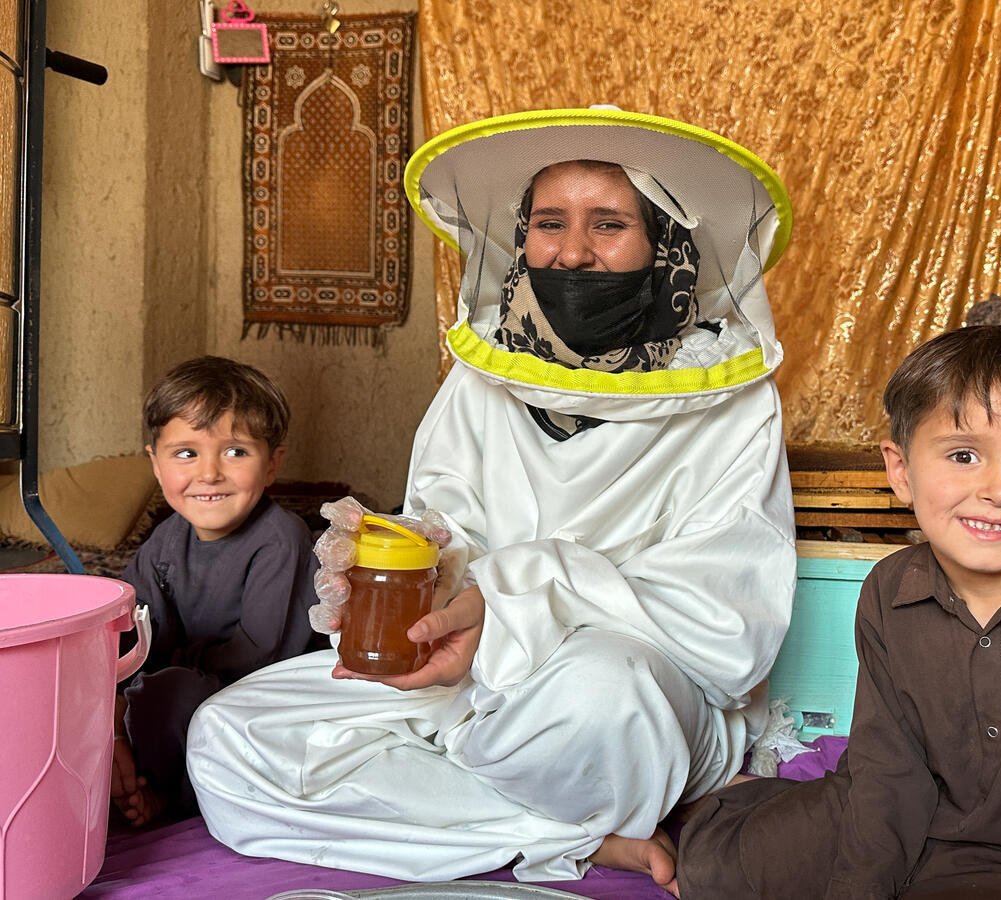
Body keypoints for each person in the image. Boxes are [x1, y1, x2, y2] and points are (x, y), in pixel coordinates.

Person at [186, 107, 798, 894]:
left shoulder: (732, 397)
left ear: (664, 245)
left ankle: (472, 801)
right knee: (225, 738)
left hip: (615, 694)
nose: (571, 252)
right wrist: (397, 556)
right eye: (549, 223)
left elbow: (723, 621)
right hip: (462, 678)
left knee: (604, 694)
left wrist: (517, 600)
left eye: (608, 223)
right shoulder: (483, 377)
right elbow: (447, 528)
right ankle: (558, 827)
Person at [676, 324, 1001, 899]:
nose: (999, 489)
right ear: (900, 471)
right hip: (887, 819)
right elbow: (888, 773)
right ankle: (704, 810)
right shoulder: (888, 590)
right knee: (715, 869)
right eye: (964, 455)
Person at [112, 355, 323, 827]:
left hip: (257, 699)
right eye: (186, 453)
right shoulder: (166, 538)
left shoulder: (281, 537)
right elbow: (131, 625)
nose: (209, 474)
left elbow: (257, 654)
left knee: (173, 694)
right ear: (155, 463)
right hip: (178, 693)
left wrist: (158, 677)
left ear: (273, 465)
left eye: (235, 452)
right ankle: (134, 784)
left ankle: (177, 801)